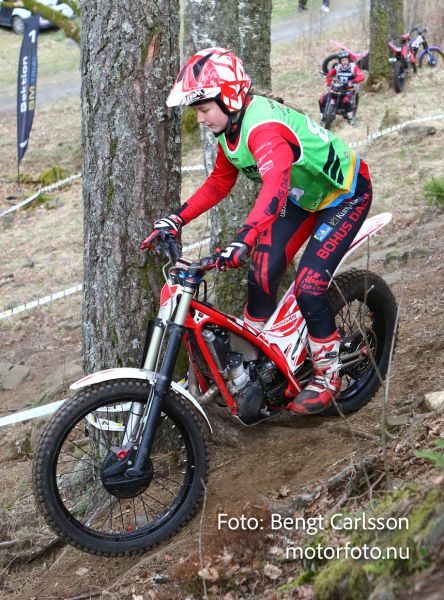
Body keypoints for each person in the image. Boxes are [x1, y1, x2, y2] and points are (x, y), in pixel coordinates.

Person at [140, 48, 372, 415]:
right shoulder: (229, 129)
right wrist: (176, 219)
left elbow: (274, 187)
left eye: (203, 109)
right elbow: (219, 182)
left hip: (345, 194)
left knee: (310, 286)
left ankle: (328, 375)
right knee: (261, 273)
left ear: (230, 98)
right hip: (303, 197)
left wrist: (244, 238)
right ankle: (256, 360)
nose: (199, 118)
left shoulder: (263, 130)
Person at [319, 50, 365, 125]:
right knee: (321, 100)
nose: (344, 62)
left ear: (349, 60)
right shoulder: (337, 67)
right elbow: (329, 75)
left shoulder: (354, 67)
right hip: (337, 87)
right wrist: (328, 83)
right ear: (340, 61)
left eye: (346, 60)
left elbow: (361, 76)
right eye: (343, 60)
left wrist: (352, 81)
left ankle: (350, 118)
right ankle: (322, 117)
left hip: (349, 88)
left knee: (347, 101)